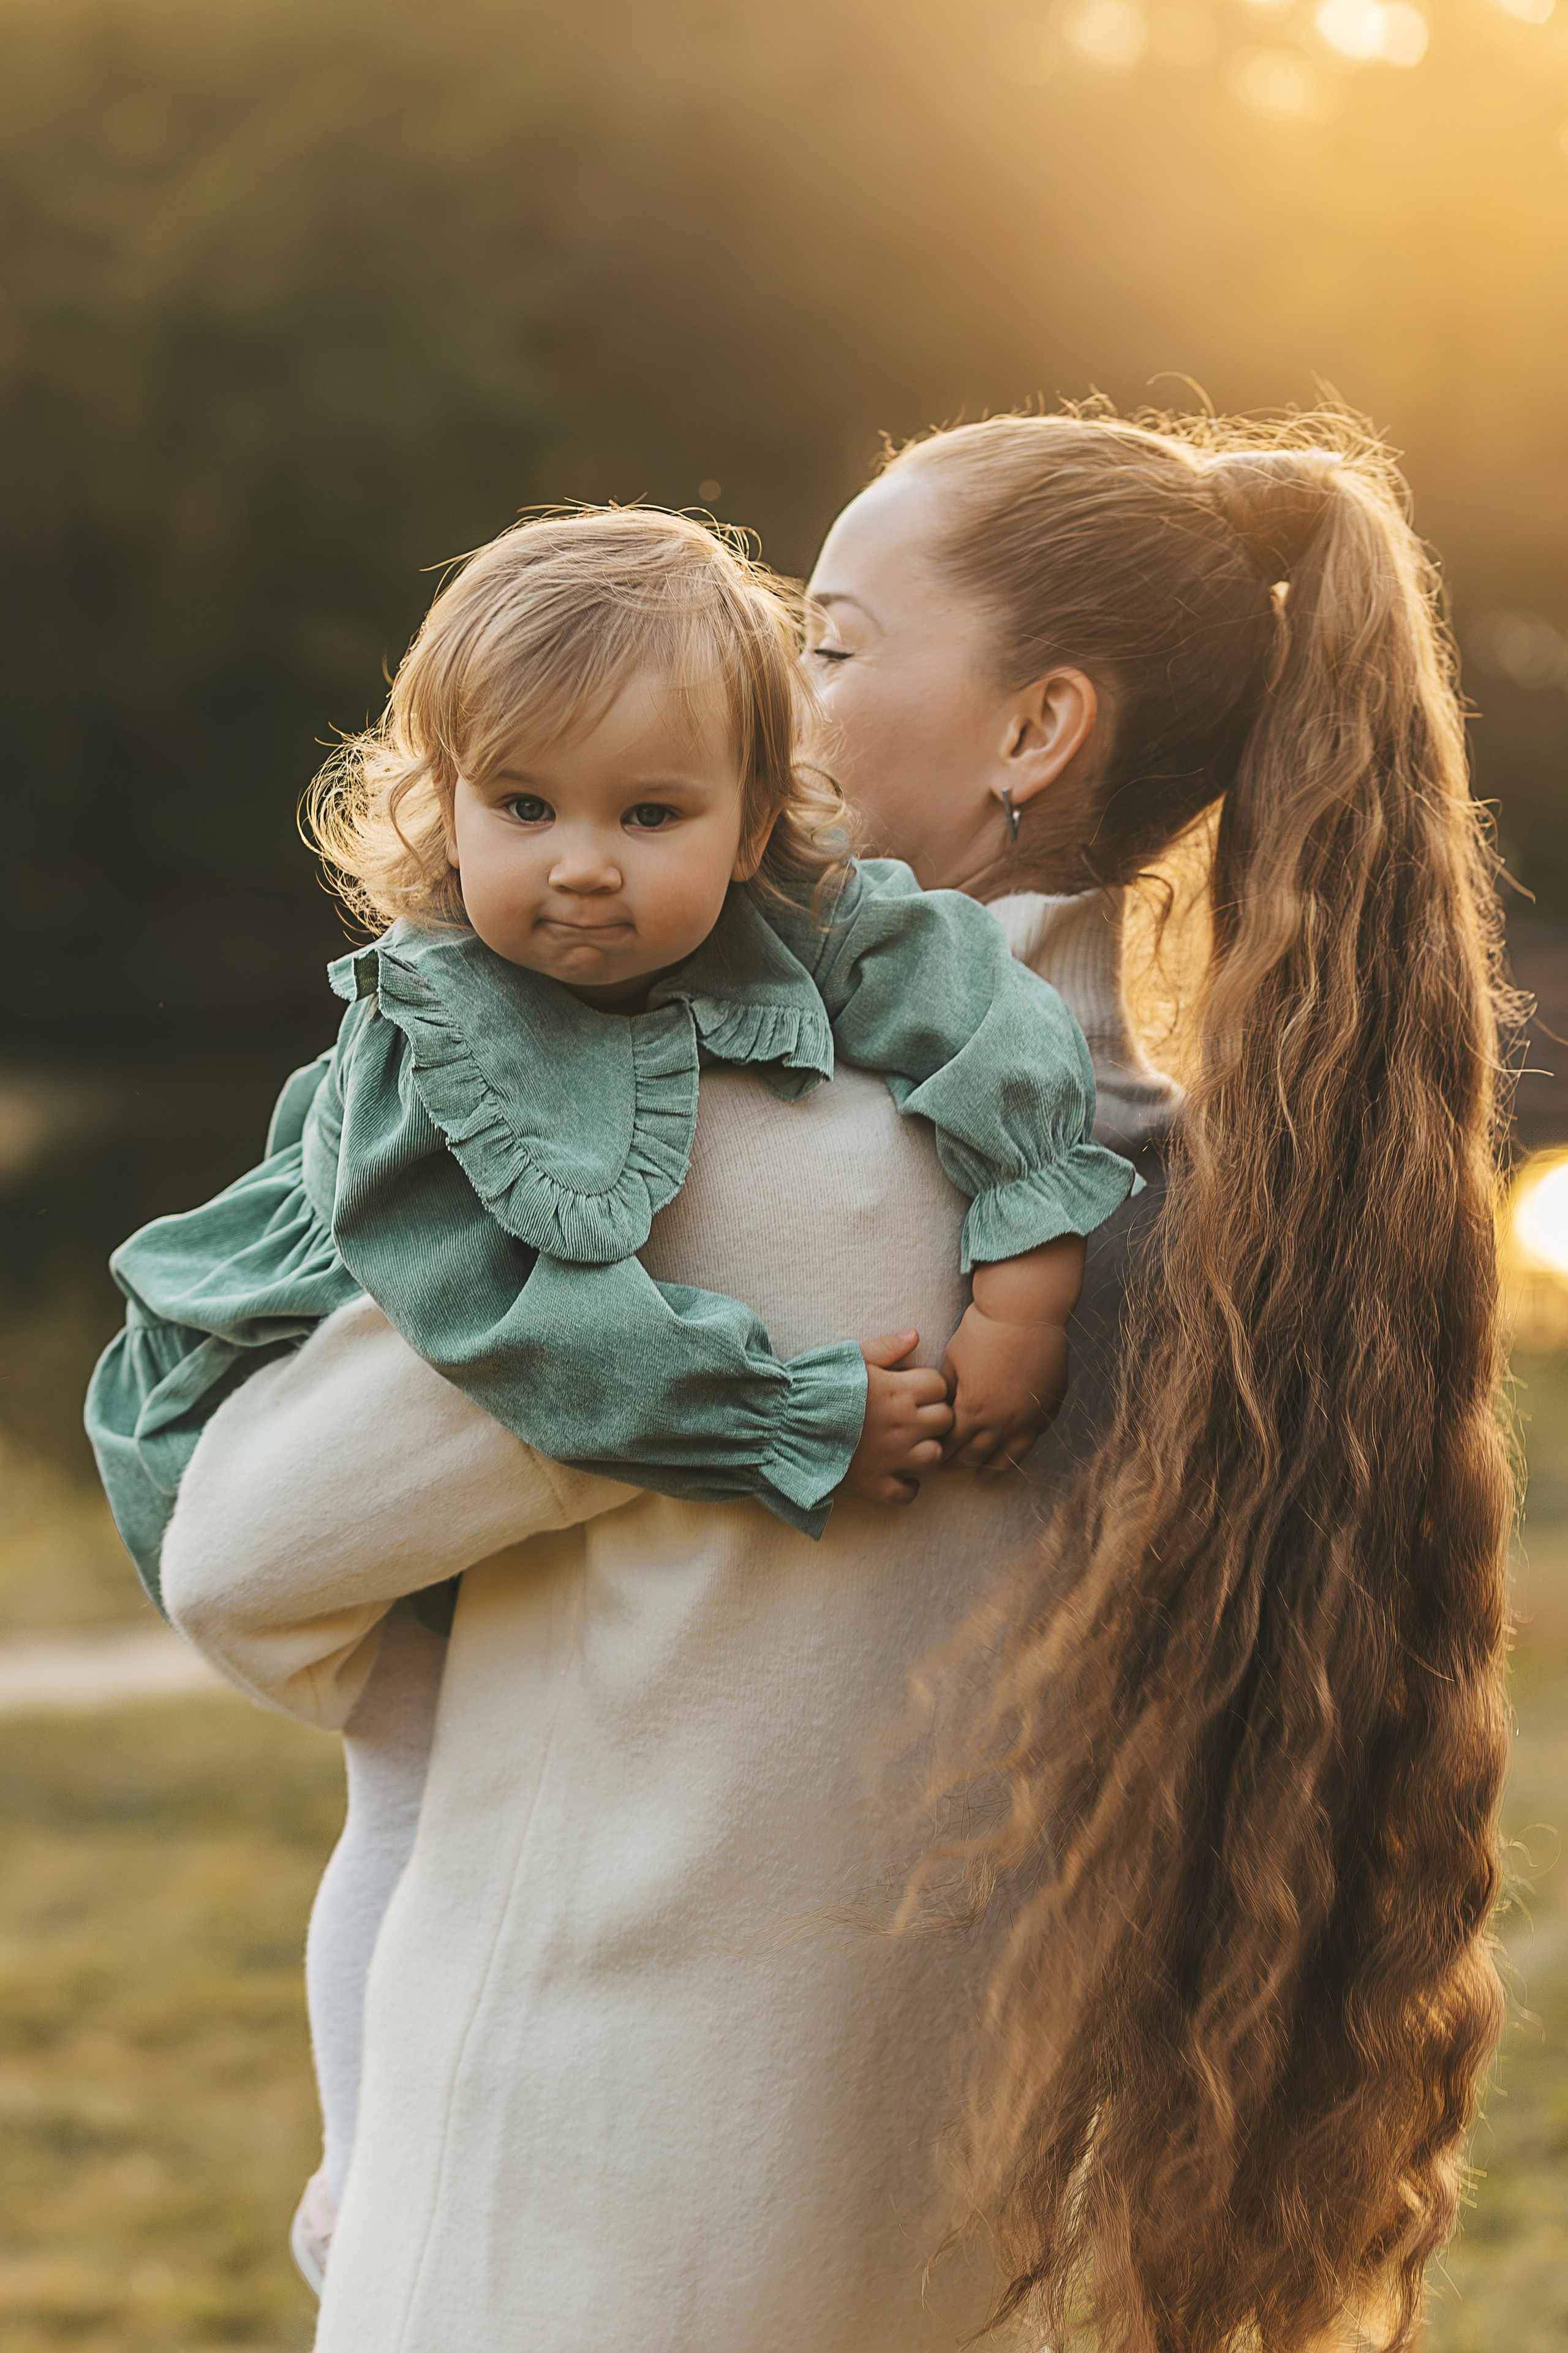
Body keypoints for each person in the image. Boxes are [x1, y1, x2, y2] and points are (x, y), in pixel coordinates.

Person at [160, 402, 1507, 2353]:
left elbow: (240, 1554)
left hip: (575, 2240)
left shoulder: (727, 1163)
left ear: (1038, 730)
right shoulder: (1244, 1220)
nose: (771, 690)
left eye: (838, 644)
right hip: (940, 2264)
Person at [88, 507, 1133, 1603]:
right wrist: (785, 1416)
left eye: (648, 813)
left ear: (749, 823)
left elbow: (980, 1006)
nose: (582, 865)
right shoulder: (429, 1037)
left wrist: (1026, 1297)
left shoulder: (800, 913)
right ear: (449, 810)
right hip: (290, 1327)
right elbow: (516, 1326)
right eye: (525, 805)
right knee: (401, 1681)